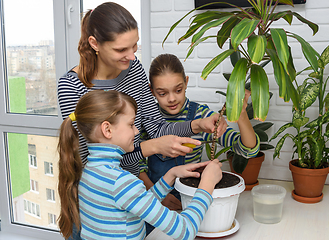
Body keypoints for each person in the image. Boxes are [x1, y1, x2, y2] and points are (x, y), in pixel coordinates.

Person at [57, 2, 227, 178]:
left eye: (134, 45)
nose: (132, 56)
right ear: (94, 44)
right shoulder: (71, 87)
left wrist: (197, 125)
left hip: (132, 188)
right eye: (121, 49)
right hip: (101, 196)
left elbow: (157, 129)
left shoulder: (133, 68)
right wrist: (152, 147)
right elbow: (90, 163)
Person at [57, 90, 223, 240]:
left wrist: (170, 174)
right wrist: (207, 185)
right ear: (107, 130)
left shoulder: (90, 172)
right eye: (131, 124)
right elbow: (185, 231)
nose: (137, 131)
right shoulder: (120, 181)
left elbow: (137, 203)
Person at [140, 53, 260, 212]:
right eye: (162, 93)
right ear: (151, 90)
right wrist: (157, 196)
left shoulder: (201, 116)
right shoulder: (147, 119)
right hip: (153, 201)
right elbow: (136, 165)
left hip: (190, 203)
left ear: (186, 82)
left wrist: (242, 115)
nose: (171, 99)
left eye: (178, 90)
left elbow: (248, 150)